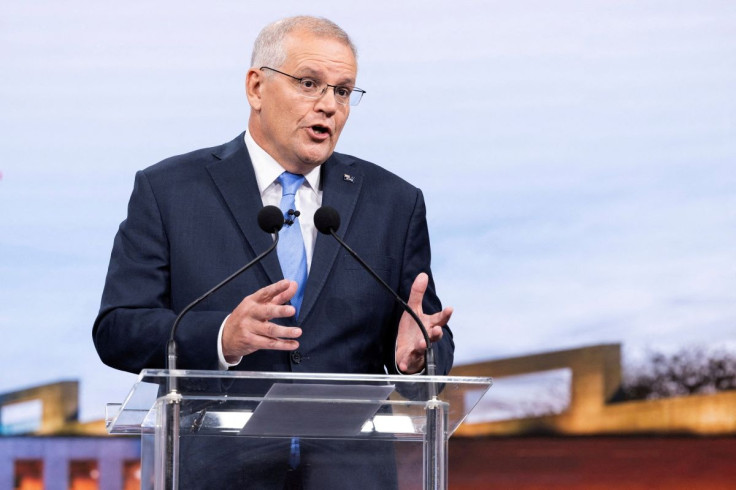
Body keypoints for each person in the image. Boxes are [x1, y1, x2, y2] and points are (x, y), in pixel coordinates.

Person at [93, 15, 454, 489]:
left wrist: (420, 356)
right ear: (257, 87)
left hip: (349, 476)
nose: (329, 106)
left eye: (343, 91)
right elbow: (118, 328)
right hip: (217, 472)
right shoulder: (170, 191)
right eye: (310, 84)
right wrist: (222, 335)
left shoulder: (393, 202)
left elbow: (424, 334)